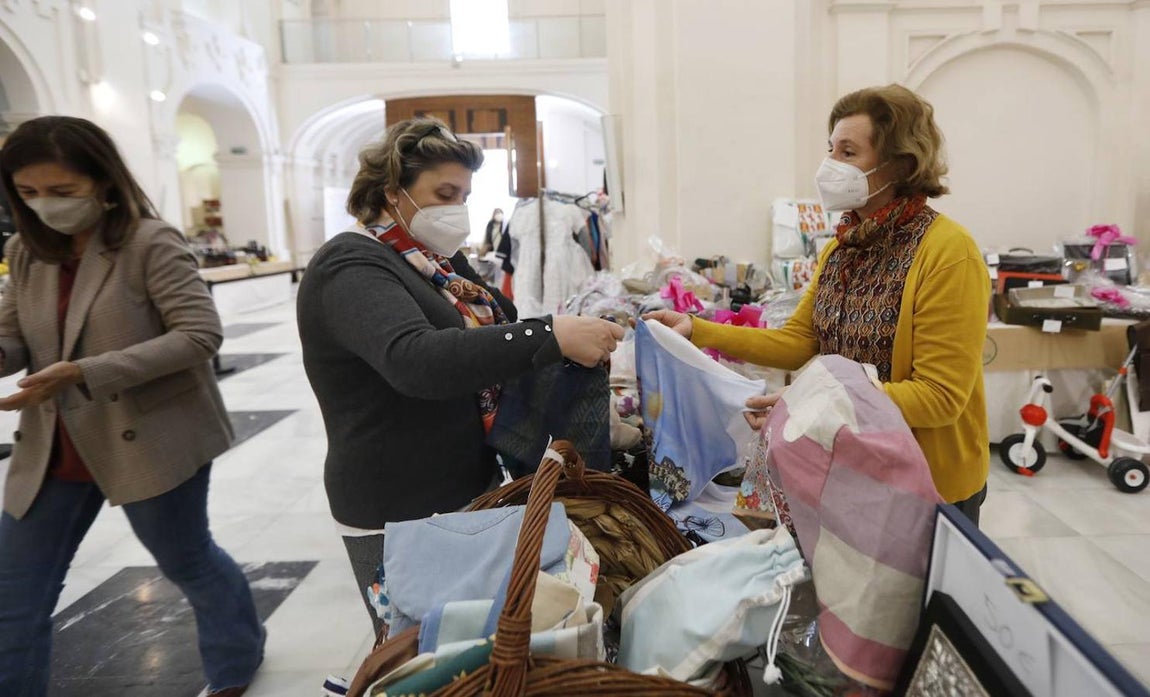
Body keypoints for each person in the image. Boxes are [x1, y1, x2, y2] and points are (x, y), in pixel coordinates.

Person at [297, 117, 624, 634]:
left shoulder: (437, 264)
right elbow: (416, 359)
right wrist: (551, 335)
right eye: (444, 192)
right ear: (391, 191)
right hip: (396, 504)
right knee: (418, 648)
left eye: (465, 195)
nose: (457, 209)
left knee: (472, 645)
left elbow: (500, 323)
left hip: (464, 487)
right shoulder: (351, 264)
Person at [0, 116, 264, 697]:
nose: (45, 205)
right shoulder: (24, 252)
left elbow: (199, 335)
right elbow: (14, 337)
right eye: (28, 192)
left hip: (146, 434)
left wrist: (86, 372)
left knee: (187, 561)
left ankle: (236, 657)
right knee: (14, 597)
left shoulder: (149, 241)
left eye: (63, 192)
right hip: (52, 449)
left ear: (102, 181)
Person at [647, 84, 990, 524]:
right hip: (855, 467)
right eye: (831, 150)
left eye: (849, 152)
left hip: (927, 484)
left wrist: (810, 403)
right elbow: (801, 341)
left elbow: (940, 397)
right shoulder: (841, 249)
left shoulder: (947, 252)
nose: (830, 166)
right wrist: (697, 329)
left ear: (900, 164)